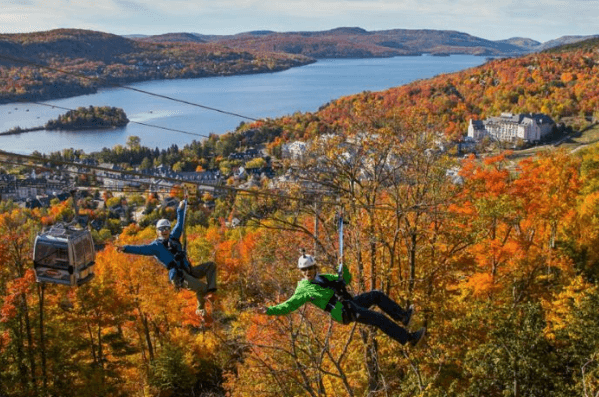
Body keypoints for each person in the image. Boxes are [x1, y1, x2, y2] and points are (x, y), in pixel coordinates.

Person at [259, 253, 425, 346]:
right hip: (343, 312)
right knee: (378, 318)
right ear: (300, 272)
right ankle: (409, 338)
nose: (307, 272)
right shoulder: (303, 289)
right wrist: (270, 310)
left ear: (315, 267)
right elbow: (288, 305)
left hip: (350, 304)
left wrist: (342, 266)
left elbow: (346, 279)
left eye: (309, 269)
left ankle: (402, 316)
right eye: (304, 270)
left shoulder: (324, 278)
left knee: (376, 294)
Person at [116, 199, 217, 316]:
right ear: (157, 231)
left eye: (166, 228)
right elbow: (140, 249)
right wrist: (125, 248)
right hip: (179, 276)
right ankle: (200, 309)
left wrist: (181, 208)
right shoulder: (155, 246)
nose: (164, 231)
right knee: (201, 287)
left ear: (169, 229)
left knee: (211, 266)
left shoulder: (174, 238)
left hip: (188, 269)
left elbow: (180, 224)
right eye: (161, 229)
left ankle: (211, 292)